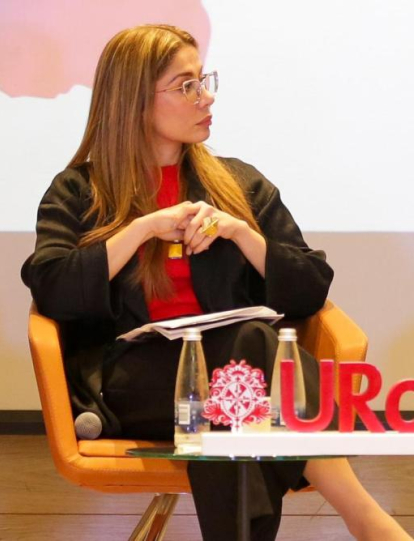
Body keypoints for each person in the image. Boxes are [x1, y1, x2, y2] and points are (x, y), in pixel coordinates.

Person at [21, 24, 412, 541]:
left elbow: (311, 286)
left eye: (204, 80)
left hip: (226, 392)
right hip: (134, 383)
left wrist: (243, 234)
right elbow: (52, 287)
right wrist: (140, 229)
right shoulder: (79, 190)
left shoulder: (238, 182)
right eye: (186, 86)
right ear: (135, 101)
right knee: (246, 360)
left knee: (232, 410)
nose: (205, 97)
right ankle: (364, 518)